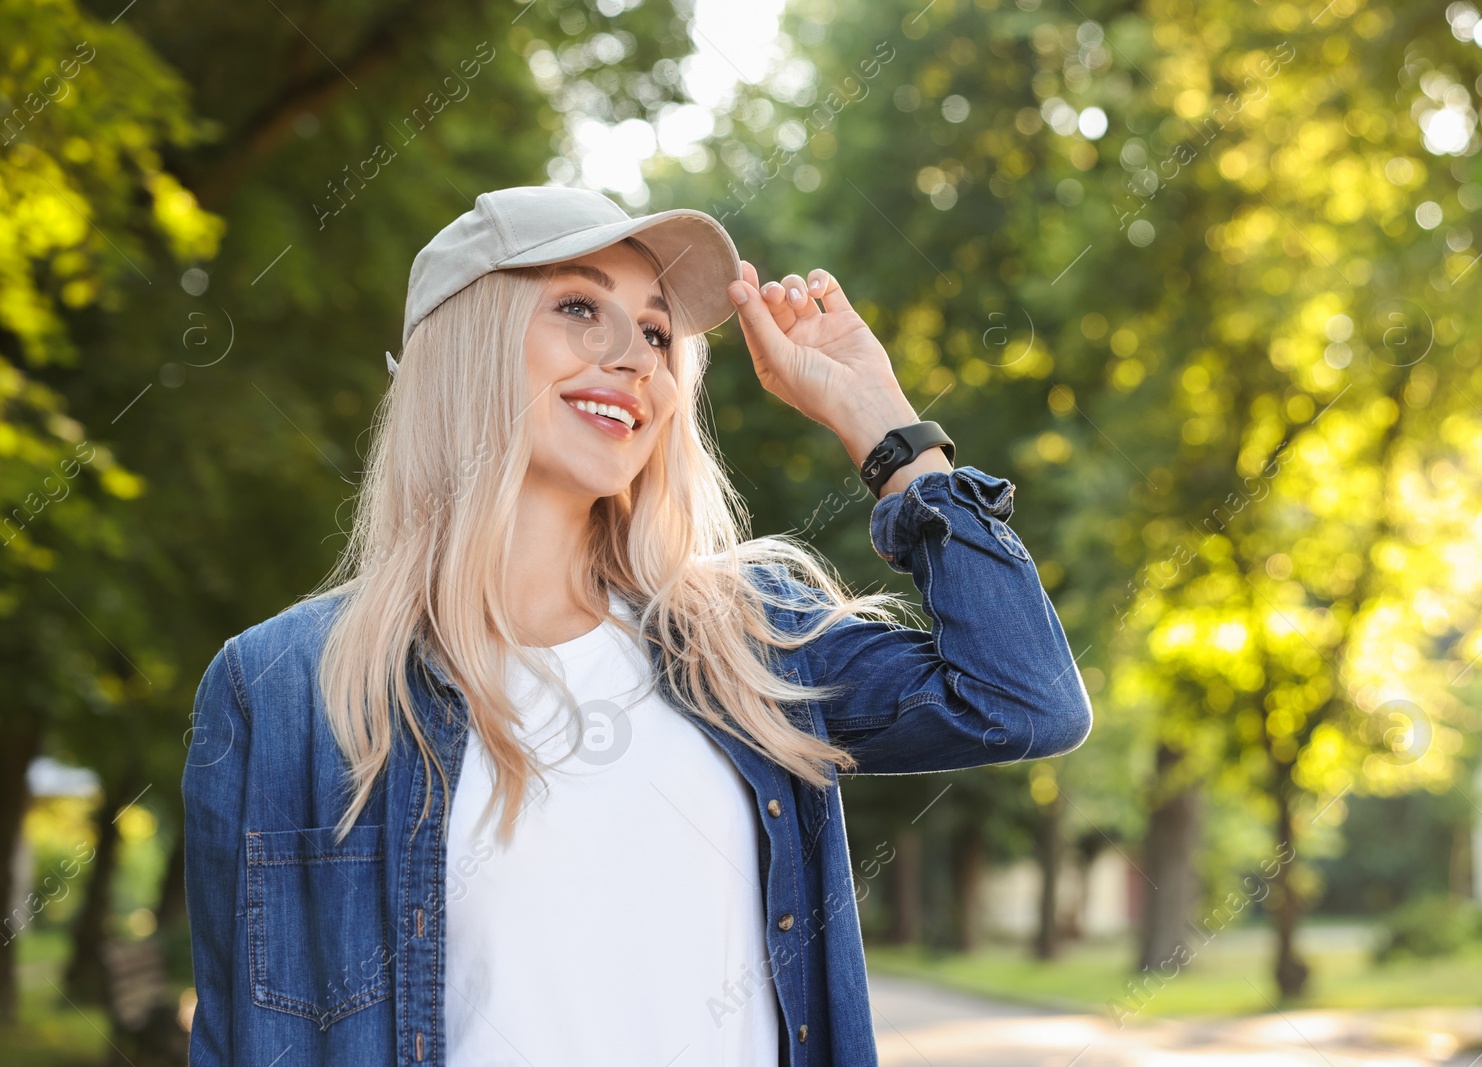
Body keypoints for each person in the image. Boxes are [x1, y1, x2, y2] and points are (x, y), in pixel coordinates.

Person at [181, 184, 1093, 1067]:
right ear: (468, 344)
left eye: (656, 331)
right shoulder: (283, 686)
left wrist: (887, 430)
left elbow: (1024, 700)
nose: (636, 356)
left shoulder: (743, 640)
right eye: (580, 308)